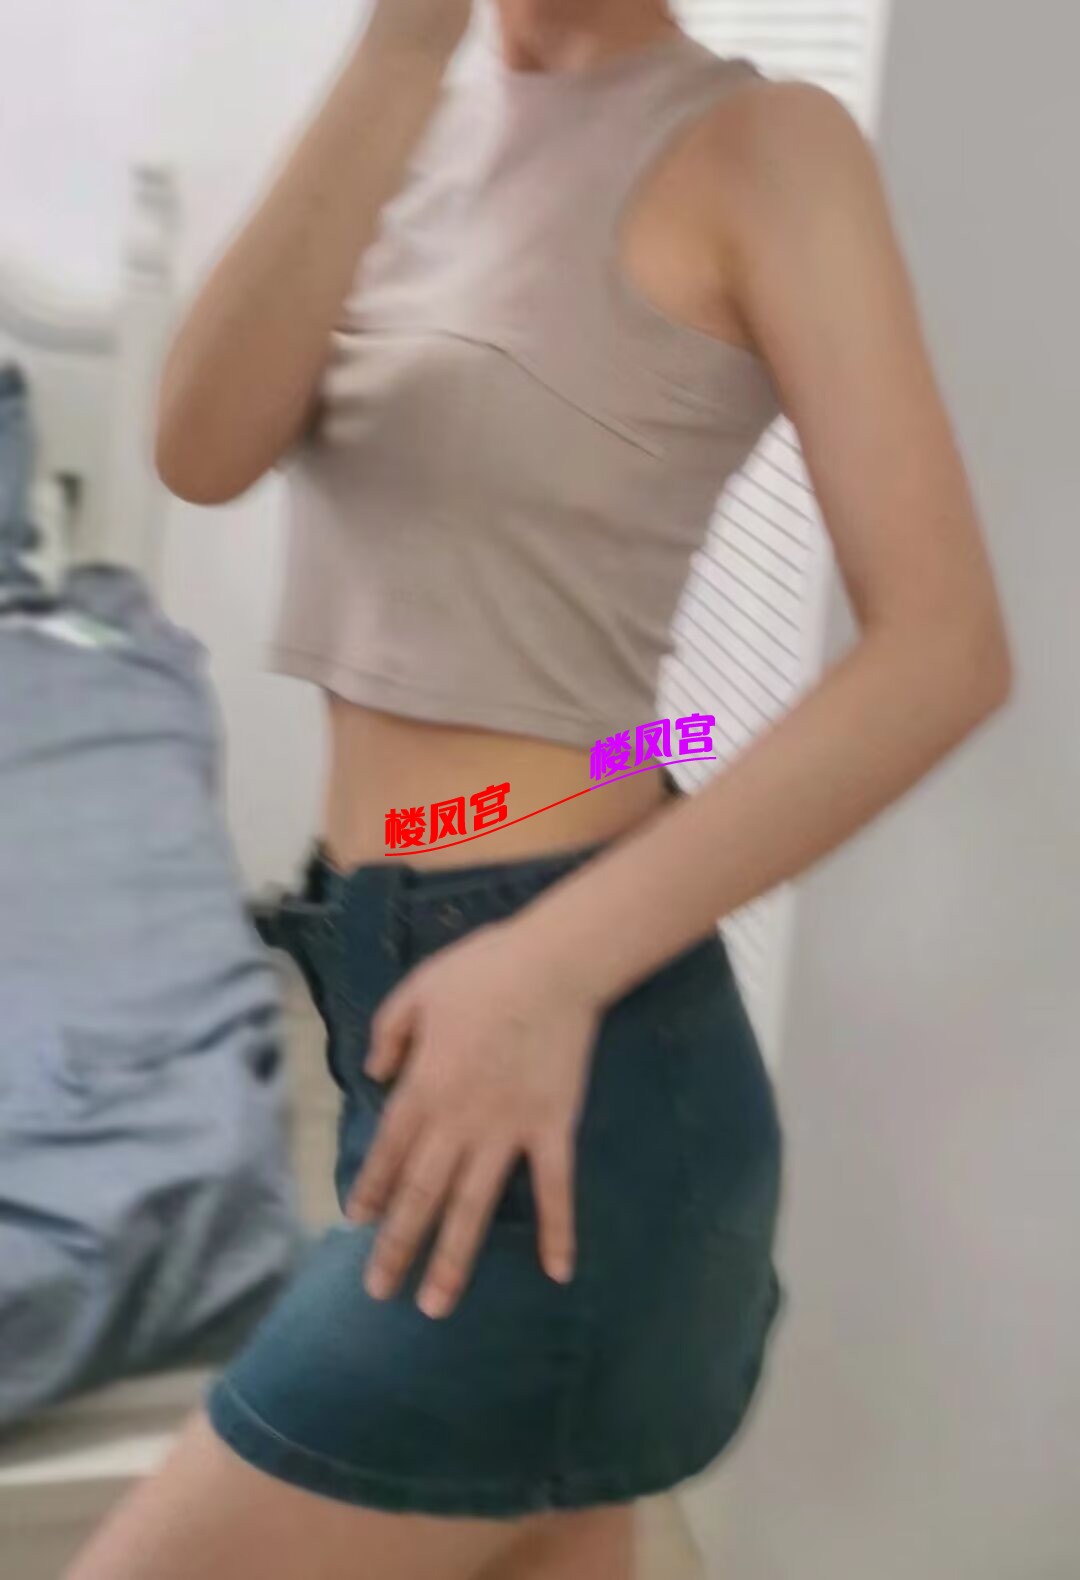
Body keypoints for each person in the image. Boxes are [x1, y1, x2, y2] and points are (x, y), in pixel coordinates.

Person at [68, 1, 1012, 1577]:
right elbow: (201, 447)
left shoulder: (762, 149)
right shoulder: (405, 115)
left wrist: (549, 962)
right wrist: (394, 51)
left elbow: (946, 649)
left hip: (578, 1047)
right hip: (398, 979)